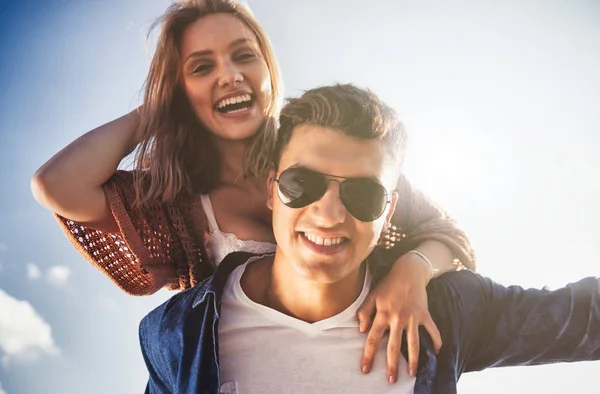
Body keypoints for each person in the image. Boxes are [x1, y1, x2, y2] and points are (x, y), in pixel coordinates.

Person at [30, 0, 474, 378]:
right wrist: (159, 109)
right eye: (202, 67)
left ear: (267, 67)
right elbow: (56, 185)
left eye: (244, 56)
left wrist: (411, 271)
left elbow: (449, 237)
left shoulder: (324, 147)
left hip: (368, 367)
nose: (230, 76)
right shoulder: (176, 203)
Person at [139, 84, 600, 394]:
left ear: (389, 211)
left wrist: (416, 266)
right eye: (304, 184)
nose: (330, 213)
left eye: (363, 193)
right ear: (272, 190)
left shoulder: (442, 314)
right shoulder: (177, 333)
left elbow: (585, 321)